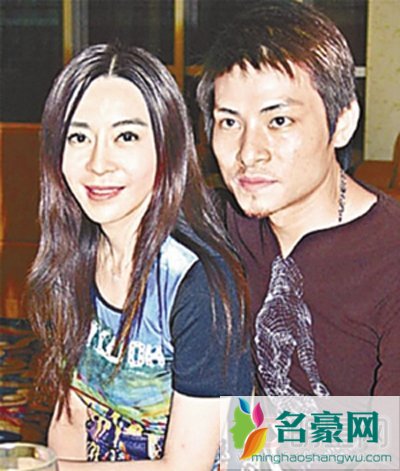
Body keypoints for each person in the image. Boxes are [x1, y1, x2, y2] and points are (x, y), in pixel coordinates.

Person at [27, 43, 253, 470]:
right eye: (79, 137)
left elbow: (187, 466)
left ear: (167, 149)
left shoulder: (197, 283)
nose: (98, 164)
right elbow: (70, 421)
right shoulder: (73, 260)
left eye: (126, 136)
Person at [197, 0, 400, 396]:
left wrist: (235, 427)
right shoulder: (222, 221)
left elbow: (389, 432)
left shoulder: (389, 258)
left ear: (342, 123)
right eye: (229, 122)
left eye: (279, 120)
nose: (248, 153)